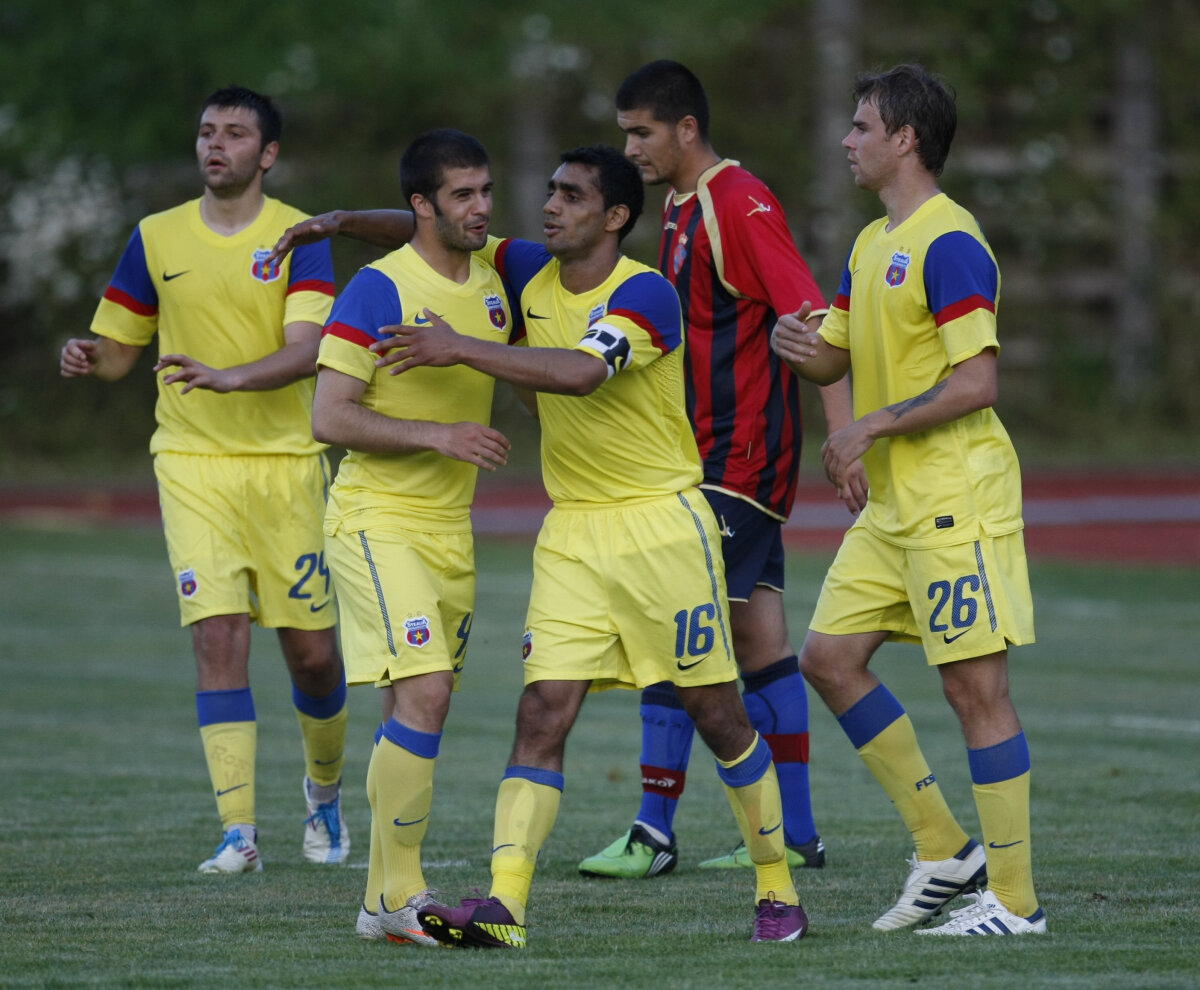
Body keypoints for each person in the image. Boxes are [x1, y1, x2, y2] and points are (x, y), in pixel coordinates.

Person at [381, 145, 808, 947]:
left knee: (717, 712)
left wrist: (461, 347)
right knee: (542, 710)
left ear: (615, 216)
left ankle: (778, 890)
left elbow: (580, 373)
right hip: (572, 530)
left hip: (661, 529)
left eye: (572, 196)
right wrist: (339, 223)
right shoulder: (526, 266)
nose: (549, 206)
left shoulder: (645, 292)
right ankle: (506, 909)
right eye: (548, 191)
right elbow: (437, 224)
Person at [770, 64, 1045, 936]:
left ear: (905, 140)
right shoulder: (868, 243)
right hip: (892, 506)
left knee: (974, 690)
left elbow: (979, 380)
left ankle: (1016, 903)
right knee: (827, 659)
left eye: (861, 127)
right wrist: (795, 345)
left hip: (957, 497)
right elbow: (835, 356)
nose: (847, 140)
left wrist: (869, 427)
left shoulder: (949, 241)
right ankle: (941, 848)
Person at [577, 58, 866, 880]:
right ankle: (797, 833)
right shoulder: (678, 207)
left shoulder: (737, 202)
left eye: (642, 132)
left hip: (735, 464)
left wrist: (840, 437)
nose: (630, 146)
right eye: (627, 131)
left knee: (676, 635)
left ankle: (653, 830)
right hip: (708, 460)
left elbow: (814, 323)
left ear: (687, 129)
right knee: (758, 642)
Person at [60, 85, 350, 875]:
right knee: (217, 635)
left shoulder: (299, 237)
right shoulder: (155, 236)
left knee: (314, 658)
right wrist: (93, 357)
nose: (214, 144)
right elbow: (121, 347)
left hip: (287, 465)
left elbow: (309, 348)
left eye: (233, 133)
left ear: (269, 153)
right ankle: (238, 833)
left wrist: (228, 378)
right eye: (205, 131)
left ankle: (323, 797)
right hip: (190, 463)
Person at [309, 129, 515, 945]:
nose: (481, 208)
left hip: (448, 532)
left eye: (486, 192)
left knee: (418, 703)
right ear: (422, 205)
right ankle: (404, 897)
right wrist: (438, 436)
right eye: (463, 194)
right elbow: (330, 415)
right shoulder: (378, 288)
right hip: (375, 519)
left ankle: (379, 906)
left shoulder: (497, 288)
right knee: (425, 690)